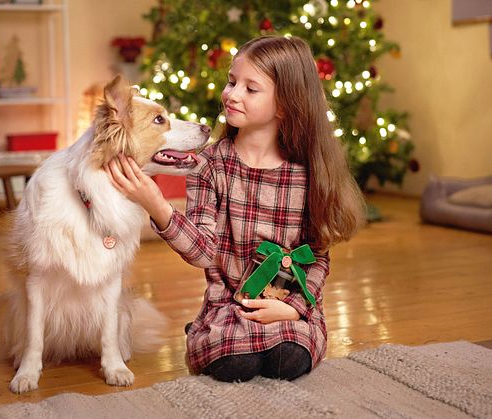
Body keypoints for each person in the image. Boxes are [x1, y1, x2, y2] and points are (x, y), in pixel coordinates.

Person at [106, 35, 366, 382]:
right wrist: (156, 205)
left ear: (284, 105)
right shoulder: (209, 165)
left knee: (288, 358)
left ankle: (284, 334)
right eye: (231, 82)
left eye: (250, 89)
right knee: (234, 363)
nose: (232, 94)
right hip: (228, 308)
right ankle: (210, 336)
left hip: (286, 307)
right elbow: (202, 252)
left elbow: (317, 257)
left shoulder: (307, 172)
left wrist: (292, 308)